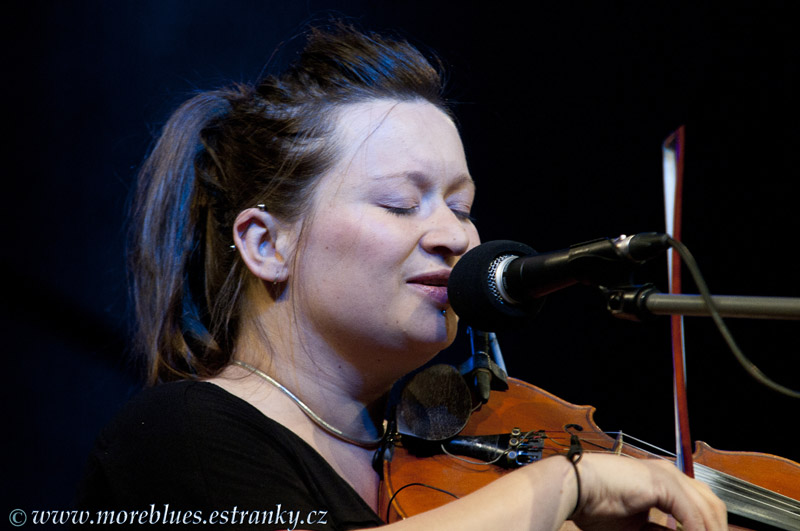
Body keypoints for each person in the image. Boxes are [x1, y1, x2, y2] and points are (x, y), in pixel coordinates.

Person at [75, 24, 727, 530]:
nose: (458, 236)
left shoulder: (444, 469)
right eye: (398, 203)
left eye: (462, 206)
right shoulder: (173, 439)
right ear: (266, 243)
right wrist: (567, 483)